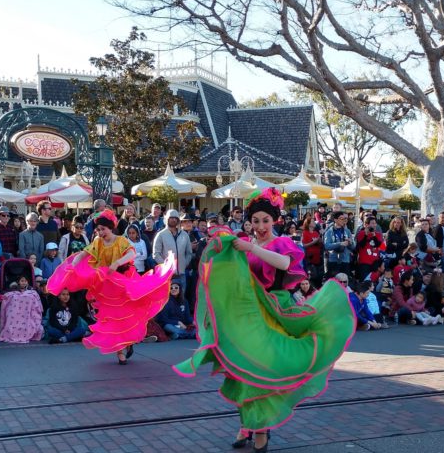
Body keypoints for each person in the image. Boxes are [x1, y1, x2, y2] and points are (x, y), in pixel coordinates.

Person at [173, 188, 355, 452]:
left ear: (274, 221)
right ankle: (247, 424)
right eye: (255, 221)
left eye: (265, 221)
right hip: (249, 312)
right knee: (242, 370)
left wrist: (249, 247)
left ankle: (260, 427)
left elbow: (284, 263)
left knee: (264, 369)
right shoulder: (244, 244)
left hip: (276, 311)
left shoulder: (281, 243)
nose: (260, 226)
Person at [47, 209, 174, 365]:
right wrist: (73, 264)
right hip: (107, 287)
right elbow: (83, 254)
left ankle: (127, 342)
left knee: (127, 315)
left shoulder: (121, 241)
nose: (100, 232)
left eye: (103, 229)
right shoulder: (98, 242)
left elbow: (131, 254)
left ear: (111, 228)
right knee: (111, 318)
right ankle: (120, 352)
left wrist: (117, 263)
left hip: (124, 282)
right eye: (98, 229)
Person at [152, 209, 192, 290]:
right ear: (167, 219)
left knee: (181, 297)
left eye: (175, 218)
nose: (173, 219)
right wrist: (167, 266)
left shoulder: (185, 235)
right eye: (171, 217)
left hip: (181, 274)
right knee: (168, 299)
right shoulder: (161, 235)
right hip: (167, 275)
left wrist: (184, 264)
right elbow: (156, 254)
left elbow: (189, 253)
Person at [0, 275, 43, 344]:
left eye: (25, 281)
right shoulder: (13, 290)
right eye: (22, 281)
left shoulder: (31, 291)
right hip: (15, 314)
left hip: (28, 315)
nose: (24, 283)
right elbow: (8, 296)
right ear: (18, 282)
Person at [323, 211, 354, 282]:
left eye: (344, 218)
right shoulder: (329, 231)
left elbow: (353, 247)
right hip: (334, 260)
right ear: (335, 220)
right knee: (334, 283)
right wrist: (340, 244)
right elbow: (327, 245)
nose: (344, 220)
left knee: (345, 282)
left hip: (345, 260)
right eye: (341, 218)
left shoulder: (347, 231)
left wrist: (350, 242)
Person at [354, 217, 383, 282]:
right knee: (364, 282)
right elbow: (361, 245)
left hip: (374, 263)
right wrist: (366, 235)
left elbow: (377, 244)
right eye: (372, 223)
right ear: (366, 225)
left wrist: (374, 235)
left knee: (373, 282)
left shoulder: (378, 234)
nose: (375, 225)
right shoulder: (361, 233)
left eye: (375, 223)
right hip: (364, 262)